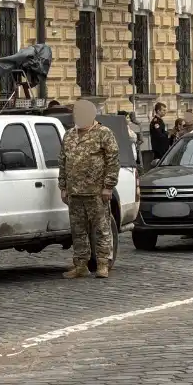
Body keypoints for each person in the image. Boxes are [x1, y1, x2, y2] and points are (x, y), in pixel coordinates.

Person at [59, 100, 119, 279]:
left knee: (101, 228)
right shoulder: (69, 135)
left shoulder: (104, 134)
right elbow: (63, 161)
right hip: (75, 192)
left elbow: (113, 161)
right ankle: (81, 264)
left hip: (96, 191)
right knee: (78, 230)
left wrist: (108, 186)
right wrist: (63, 186)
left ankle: (102, 263)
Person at [148, 103, 171, 167]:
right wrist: (168, 135)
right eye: (163, 110)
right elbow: (159, 135)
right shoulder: (156, 122)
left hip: (163, 148)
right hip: (159, 148)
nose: (165, 112)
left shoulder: (160, 121)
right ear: (158, 111)